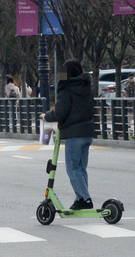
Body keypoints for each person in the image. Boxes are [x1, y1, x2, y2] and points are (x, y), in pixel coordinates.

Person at [40, 59, 96, 210]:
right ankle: (80, 199)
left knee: (72, 168)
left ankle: (85, 198)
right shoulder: (87, 88)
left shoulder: (67, 90)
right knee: (81, 168)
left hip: (74, 133)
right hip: (87, 132)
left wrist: (47, 116)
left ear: (66, 74)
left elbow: (61, 112)